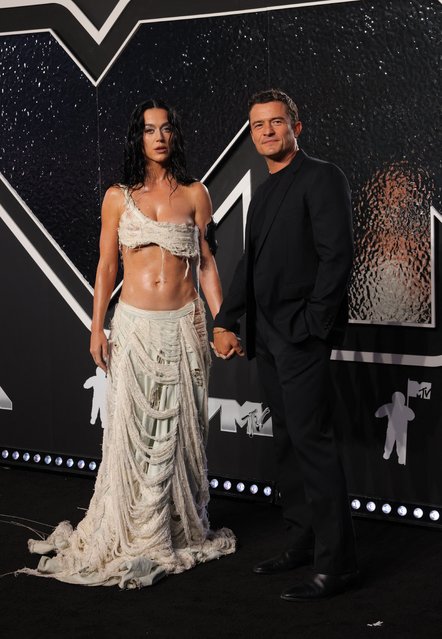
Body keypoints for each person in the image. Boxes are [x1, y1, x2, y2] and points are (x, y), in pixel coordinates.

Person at [21, 99, 235, 588]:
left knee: (181, 434)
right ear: (137, 138)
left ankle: (172, 527)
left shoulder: (197, 194)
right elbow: (106, 268)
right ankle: (131, 527)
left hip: (184, 326)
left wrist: (224, 324)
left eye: (165, 129)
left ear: (175, 136)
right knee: (132, 433)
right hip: (134, 327)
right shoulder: (118, 197)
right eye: (148, 130)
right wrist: (97, 327)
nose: (158, 137)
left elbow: (206, 266)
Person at [213, 89, 358, 601]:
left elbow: (337, 257)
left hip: (300, 338)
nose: (267, 132)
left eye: (276, 122)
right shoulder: (265, 186)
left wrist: (311, 327)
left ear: (297, 125)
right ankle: (300, 544)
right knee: (287, 447)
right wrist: (227, 318)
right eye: (258, 125)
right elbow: (248, 264)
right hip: (268, 339)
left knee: (313, 447)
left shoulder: (322, 176)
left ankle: (336, 565)